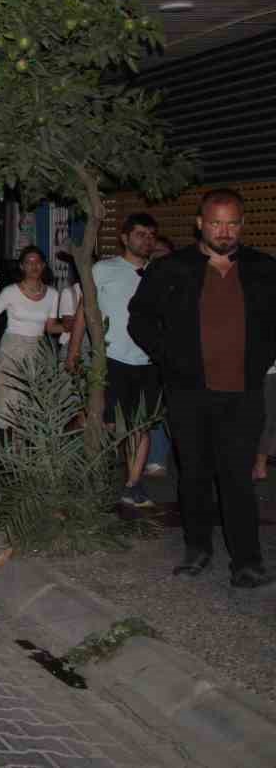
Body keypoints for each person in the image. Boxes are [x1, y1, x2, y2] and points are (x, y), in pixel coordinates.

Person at [128, 189, 276, 589]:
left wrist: (263, 357)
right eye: (216, 223)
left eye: (231, 224)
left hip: (243, 394)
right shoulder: (172, 268)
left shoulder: (264, 269)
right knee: (193, 473)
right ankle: (198, 550)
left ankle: (246, 562)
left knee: (237, 479)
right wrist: (169, 358)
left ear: (242, 225)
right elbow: (138, 318)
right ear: (200, 222)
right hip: (189, 393)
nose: (224, 231)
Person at [65, 213, 165, 508]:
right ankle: (66, 441)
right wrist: (73, 351)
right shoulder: (103, 269)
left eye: (151, 235)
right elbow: (85, 310)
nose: (147, 240)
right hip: (111, 359)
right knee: (105, 421)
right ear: (124, 237)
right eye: (140, 234)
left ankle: (133, 485)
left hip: (148, 362)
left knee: (140, 426)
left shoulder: (159, 273)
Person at [0, 246, 73, 431]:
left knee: (31, 408)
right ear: (22, 267)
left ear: (43, 266)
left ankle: (22, 453)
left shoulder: (52, 294)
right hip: (12, 351)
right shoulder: (10, 292)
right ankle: (13, 452)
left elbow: (50, 328)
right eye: (29, 262)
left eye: (37, 262)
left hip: (37, 352)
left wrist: (73, 327)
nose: (33, 266)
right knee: (9, 407)